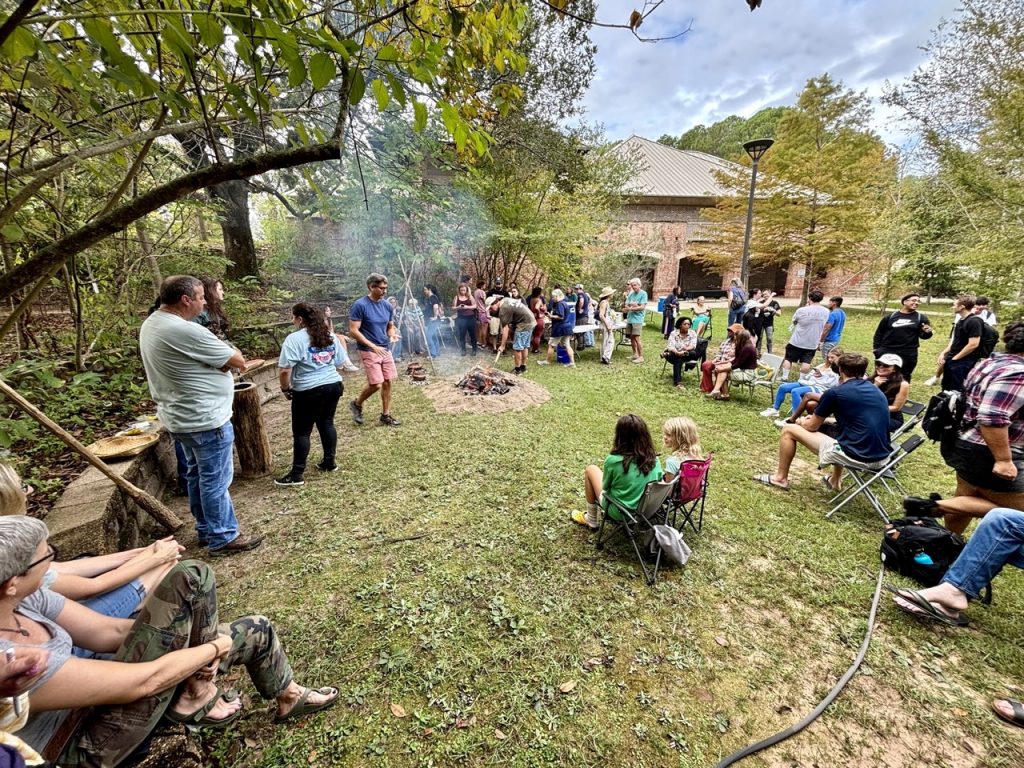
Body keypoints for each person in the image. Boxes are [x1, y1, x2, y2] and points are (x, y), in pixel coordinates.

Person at [0, 516, 338, 766]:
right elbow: (145, 682)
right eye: (47, 559)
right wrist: (211, 648)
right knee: (211, 625)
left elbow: (112, 633)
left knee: (236, 613)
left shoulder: (27, 601)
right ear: (12, 582)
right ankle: (197, 692)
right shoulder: (11, 662)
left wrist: (179, 636)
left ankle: (279, 695)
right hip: (84, 743)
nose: (55, 565)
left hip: (111, 686)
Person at [139, 275, 263, 556]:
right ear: (186, 300)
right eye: (200, 296)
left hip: (181, 417)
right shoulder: (184, 330)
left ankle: (207, 529)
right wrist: (226, 360)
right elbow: (237, 361)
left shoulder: (153, 323)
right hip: (204, 418)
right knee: (215, 481)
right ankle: (223, 536)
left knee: (197, 477)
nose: (205, 300)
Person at [1, 464, 182, 624]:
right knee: (167, 568)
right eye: (22, 486)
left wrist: (143, 552)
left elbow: (58, 569)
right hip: (55, 625)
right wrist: (158, 558)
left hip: (50, 613)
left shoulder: (12, 537)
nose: (31, 489)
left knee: (161, 564)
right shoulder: (12, 550)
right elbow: (92, 587)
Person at [904, 321, 1024, 534]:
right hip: (989, 451)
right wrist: (1003, 460)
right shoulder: (1018, 373)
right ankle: (934, 507)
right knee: (1015, 512)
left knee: (967, 497)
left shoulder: (990, 362)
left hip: (964, 440)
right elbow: (992, 416)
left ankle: (950, 540)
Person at [754, 352, 891, 492]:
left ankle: (780, 478)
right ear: (863, 371)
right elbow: (855, 420)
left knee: (789, 430)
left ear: (840, 370)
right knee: (839, 431)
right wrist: (825, 420)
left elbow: (812, 427)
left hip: (858, 456)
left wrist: (802, 421)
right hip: (881, 458)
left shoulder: (836, 393)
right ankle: (835, 481)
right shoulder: (876, 391)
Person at [275, 303, 346, 487]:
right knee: (327, 423)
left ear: (299, 319)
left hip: (308, 390)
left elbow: (284, 371)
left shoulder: (294, 339)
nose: (292, 320)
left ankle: (297, 474)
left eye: (293, 317)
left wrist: (285, 389)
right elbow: (339, 361)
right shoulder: (329, 335)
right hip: (333, 385)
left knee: (302, 432)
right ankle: (329, 462)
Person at [572, 414, 663, 530]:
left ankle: (591, 519)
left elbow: (605, 487)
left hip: (620, 512)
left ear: (620, 436)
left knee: (591, 470)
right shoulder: (655, 459)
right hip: (646, 511)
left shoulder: (614, 461)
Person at [349, 273, 402, 427]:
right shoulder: (360, 305)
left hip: (384, 348)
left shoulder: (387, 305)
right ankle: (357, 404)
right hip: (368, 349)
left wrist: (391, 335)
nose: (384, 291)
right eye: (381, 288)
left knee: (387, 382)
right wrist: (372, 346)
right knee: (376, 384)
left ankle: (385, 415)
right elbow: (353, 330)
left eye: (385, 288)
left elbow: (389, 326)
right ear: (371, 287)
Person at [760, 348, 840, 420]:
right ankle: (775, 409)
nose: (829, 359)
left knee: (796, 391)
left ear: (839, 357)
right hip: (810, 383)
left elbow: (831, 384)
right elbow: (810, 375)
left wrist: (821, 376)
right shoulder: (823, 365)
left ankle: (795, 417)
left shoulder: (837, 369)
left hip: (820, 388)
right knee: (783, 387)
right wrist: (813, 374)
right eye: (828, 357)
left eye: (832, 357)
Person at [872, 292, 933, 380]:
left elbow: (924, 336)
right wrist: (876, 349)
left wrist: (927, 332)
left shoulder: (921, 318)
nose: (916, 303)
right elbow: (879, 333)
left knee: (904, 376)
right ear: (904, 302)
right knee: (883, 375)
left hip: (908, 352)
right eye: (914, 300)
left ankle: (901, 393)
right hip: (888, 350)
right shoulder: (890, 317)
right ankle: (880, 392)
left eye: (918, 301)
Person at [938, 294, 984, 392]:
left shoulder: (975, 321)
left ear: (962, 306)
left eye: (954, 304)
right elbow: (955, 341)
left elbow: (973, 344)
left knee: (956, 390)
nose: (953, 307)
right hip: (952, 359)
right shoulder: (960, 320)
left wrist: (956, 358)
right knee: (946, 387)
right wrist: (944, 353)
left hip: (963, 362)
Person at [782, 289, 829, 380]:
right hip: (812, 342)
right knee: (806, 361)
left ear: (810, 298)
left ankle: (784, 377)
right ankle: (802, 379)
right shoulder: (826, 311)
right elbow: (825, 322)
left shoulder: (802, 310)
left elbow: (794, 320)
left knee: (788, 358)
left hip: (797, 340)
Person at [490, 294, 536, 375]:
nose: (491, 310)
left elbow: (505, 329)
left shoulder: (503, 309)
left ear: (495, 303)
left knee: (517, 348)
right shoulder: (505, 299)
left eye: (491, 308)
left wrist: (502, 345)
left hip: (524, 324)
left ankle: (517, 370)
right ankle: (523, 367)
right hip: (531, 320)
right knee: (524, 346)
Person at [707, 328, 757, 400]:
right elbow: (735, 360)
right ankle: (721, 392)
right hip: (741, 369)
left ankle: (721, 392)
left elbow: (738, 364)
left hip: (748, 373)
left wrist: (724, 368)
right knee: (721, 368)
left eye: (736, 337)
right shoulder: (741, 345)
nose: (734, 338)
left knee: (722, 370)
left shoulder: (748, 348)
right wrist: (724, 364)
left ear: (741, 338)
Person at [872, 353, 909, 432]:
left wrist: (872, 409)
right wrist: (875, 385)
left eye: (886, 365)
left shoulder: (903, 384)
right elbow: (861, 398)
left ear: (895, 369)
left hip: (890, 417)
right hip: (870, 414)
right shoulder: (872, 380)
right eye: (878, 364)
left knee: (865, 423)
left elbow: (896, 408)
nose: (880, 367)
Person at [538, 288, 575, 367]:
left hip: (560, 328)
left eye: (553, 297)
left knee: (551, 345)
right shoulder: (565, 303)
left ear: (557, 296)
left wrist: (551, 316)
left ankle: (547, 361)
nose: (552, 298)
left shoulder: (560, 304)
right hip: (567, 327)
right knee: (567, 345)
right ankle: (572, 363)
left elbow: (560, 316)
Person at [661, 416, 704, 481]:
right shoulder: (697, 458)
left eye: (668, 435)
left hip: (678, 491)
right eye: (665, 434)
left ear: (681, 438)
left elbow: (668, 488)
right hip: (695, 491)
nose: (665, 437)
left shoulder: (672, 462)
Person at [700, 324, 739, 393]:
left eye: (731, 331)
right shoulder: (726, 342)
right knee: (706, 364)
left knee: (720, 367)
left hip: (729, 363)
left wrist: (722, 362)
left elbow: (737, 358)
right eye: (728, 330)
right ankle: (707, 387)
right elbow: (719, 352)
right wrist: (716, 358)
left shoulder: (740, 344)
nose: (729, 332)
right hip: (720, 360)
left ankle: (719, 389)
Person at [661, 317, 699, 387]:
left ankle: (667, 354)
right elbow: (671, 346)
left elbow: (693, 346)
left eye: (688, 324)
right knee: (678, 359)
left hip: (687, 353)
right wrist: (677, 352)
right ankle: (678, 382)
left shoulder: (692, 333)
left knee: (693, 353)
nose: (687, 325)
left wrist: (684, 350)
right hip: (675, 353)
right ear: (680, 325)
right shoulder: (673, 333)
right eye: (685, 324)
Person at [623, 278, 648, 364]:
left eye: (635, 285)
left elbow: (642, 307)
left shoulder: (643, 294)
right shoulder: (631, 294)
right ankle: (635, 354)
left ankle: (641, 356)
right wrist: (631, 307)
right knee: (632, 337)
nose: (633, 287)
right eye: (632, 285)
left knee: (637, 337)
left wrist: (633, 306)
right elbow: (626, 304)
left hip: (638, 319)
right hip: (630, 318)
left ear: (639, 285)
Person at [452, 283, 478, 356]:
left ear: (466, 290)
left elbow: (475, 306)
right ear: (459, 290)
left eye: (464, 290)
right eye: (461, 290)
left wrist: (467, 307)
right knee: (462, 335)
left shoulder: (470, 296)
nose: (463, 291)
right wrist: (459, 307)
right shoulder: (456, 297)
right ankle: (463, 350)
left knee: (472, 335)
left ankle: (474, 350)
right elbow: (453, 307)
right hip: (461, 318)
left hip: (470, 318)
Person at [818, 296, 846, 361]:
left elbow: (827, 329)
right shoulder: (842, 313)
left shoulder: (832, 314)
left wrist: (821, 341)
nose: (828, 304)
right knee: (834, 358)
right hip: (836, 339)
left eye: (829, 302)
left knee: (827, 360)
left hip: (829, 340)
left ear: (834, 303)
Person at [422, 284, 445, 358]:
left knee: (429, 336)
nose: (424, 291)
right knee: (434, 336)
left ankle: (433, 354)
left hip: (433, 320)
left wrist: (435, 317)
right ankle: (437, 352)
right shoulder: (431, 298)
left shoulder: (432, 298)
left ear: (429, 290)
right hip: (432, 320)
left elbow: (435, 307)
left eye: (425, 289)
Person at [596, 286, 616, 365]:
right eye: (612, 293)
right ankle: (606, 356)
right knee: (610, 340)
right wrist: (607, 324)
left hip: (607, 323)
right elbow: (601, 315)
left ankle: (604, 357)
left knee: (606, 340)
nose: (613, 294)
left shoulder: (605, 302)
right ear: (609, 294)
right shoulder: (604, 302)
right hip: (605, 324)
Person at [759, 290, 781, 354]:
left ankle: (770, 353)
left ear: (770, 294)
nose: (765, 296)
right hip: (760, 323)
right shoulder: (761, 302)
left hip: (769, 324)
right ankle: (758, 353)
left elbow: (779, 314)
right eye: (764, 294)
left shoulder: (775, 303)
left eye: (766, 294)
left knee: (769, 339)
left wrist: (773, 310)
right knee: (759, 338)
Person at [528, 287, 547, 354]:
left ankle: (532, 347)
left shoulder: (532, 299)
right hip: (538, 319)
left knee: (533, 334)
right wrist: (539, 314)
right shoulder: (538, 300)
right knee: (537, 335)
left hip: (532, 318)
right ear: (539, 293)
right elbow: (536, 308)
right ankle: (535, 349)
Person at [575, 284, 594, 349]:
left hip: (580, 316)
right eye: (576, 289)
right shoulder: (585, 295)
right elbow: (590, 302)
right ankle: (583, 344)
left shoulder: (580, 295)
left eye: (577, 289)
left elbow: (581, 301)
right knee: (582, 331)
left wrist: (579, 309)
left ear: (580, 289)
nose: (576, 290)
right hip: (585, 315)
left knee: (578, 331)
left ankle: (580, 345)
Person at [474, 279, 490, 351]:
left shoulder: (475, 292)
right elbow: (485, 302)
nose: (485, 286)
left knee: (480, 328)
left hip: (478, 311)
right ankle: (484, 343)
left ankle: (479, 341)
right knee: (485, 328)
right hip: (483, 311)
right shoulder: (482, 292)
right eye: (484, 285)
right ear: (482, 285)